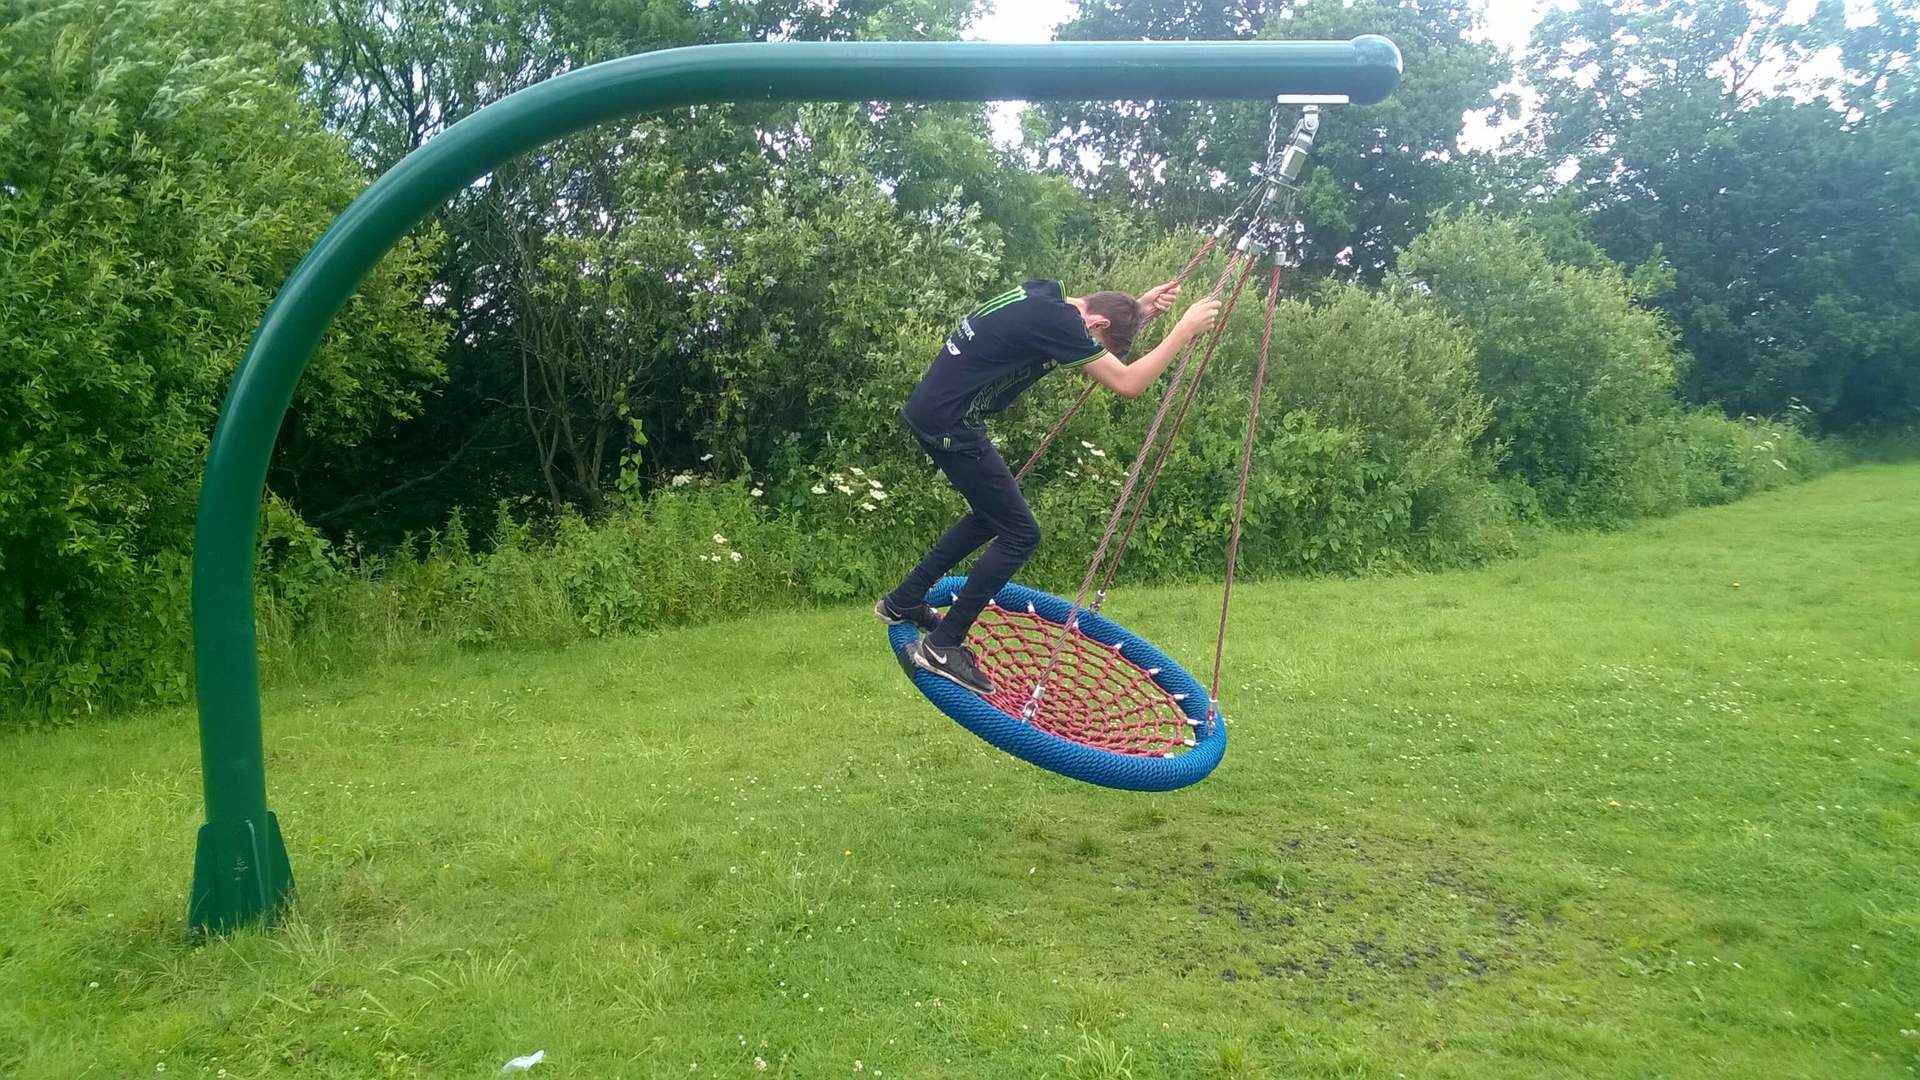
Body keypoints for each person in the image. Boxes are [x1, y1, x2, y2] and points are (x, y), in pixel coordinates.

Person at [875, 276, 1224, 694]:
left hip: (935, 411)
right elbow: (1129, 383)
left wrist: (1138, 308)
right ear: (1095, 324)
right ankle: (943, 645)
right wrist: (1184, 330)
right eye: (1096, 349)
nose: (1089, 366)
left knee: (991, 518)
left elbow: (1098, 326)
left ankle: (905, 600)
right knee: (1022, 535)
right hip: (952, 422)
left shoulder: (1045, 296)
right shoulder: (1059, 322)